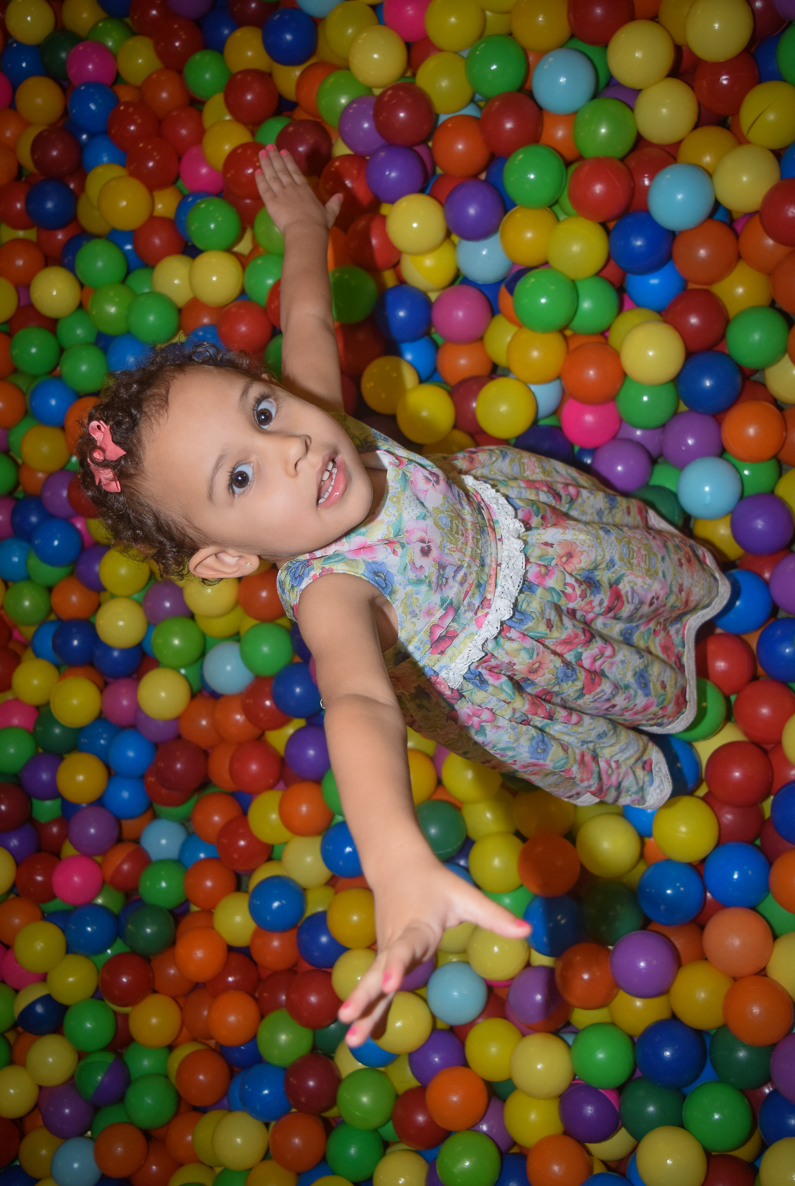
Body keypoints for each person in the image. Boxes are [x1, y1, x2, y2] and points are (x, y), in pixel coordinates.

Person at [78, 146, 730, 1044]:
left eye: (261, 412)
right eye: (238, 477)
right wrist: (394, 862)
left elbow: (305, 308)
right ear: (228, 559)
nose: (292, 448)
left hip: (534, 543)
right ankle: (654, 747)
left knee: (633, 579)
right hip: (512, 661)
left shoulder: (319, 416)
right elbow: (353, 701)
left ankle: (683, 604)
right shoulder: (330, 588)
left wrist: (305, 228)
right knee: (610, 693)